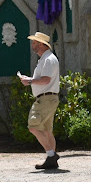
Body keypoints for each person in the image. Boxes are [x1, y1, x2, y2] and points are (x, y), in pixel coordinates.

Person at [18, 32, 60, 169]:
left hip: (45, 99)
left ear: (42, 44)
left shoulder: (48, 59)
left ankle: (51, 155)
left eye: (35, 42)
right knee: (47, 130)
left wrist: (29, 81)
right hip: (49, 98)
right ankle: (51, 160)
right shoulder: (46, 59)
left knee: (33, 126)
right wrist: (30, 80)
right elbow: (44, 79)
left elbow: (46, 80)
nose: (33, 45)